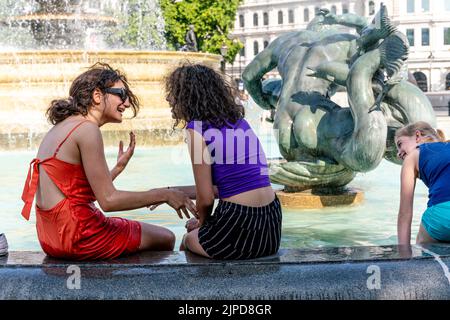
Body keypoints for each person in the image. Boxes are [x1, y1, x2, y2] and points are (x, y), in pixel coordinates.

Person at [20, 63, 197, 261]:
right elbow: (108, 201)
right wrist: (164, 194)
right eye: (121, 94)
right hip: (80, 237)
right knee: (166, 237)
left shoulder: (63, 127)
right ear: (97, 96)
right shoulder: (88, 130)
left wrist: (118, 168)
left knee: (133, 229)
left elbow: (75, 191)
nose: (127, 103)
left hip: (51, 238)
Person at [164, 64, 282, 260]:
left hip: (239, 223)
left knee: (187, 239)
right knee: (197, 235)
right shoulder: (240, 123)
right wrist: (168, 192)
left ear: (187, 96)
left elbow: (207, 197)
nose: (169, 98)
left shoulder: (196, 129)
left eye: (173, 92)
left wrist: (201, 223)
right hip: (270, 225)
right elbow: (229, 186)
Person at [394, 121, 450, 245]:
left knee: (422, 242)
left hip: (442, 219)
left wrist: (404, 252)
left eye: (400, 144)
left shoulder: (413, 156)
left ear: (418, 136)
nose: (398, 154)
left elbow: (405, 213)